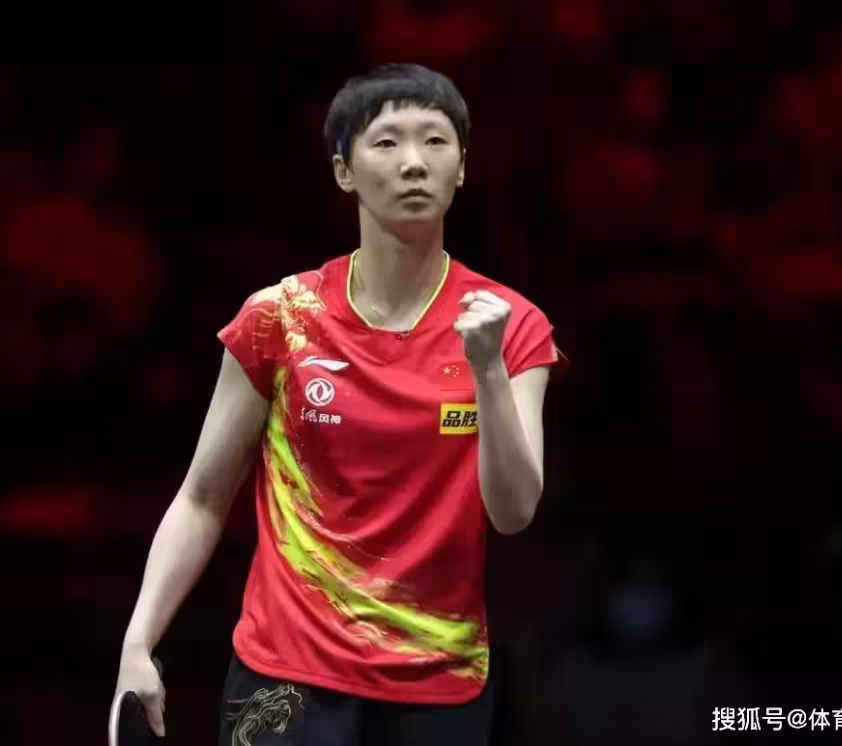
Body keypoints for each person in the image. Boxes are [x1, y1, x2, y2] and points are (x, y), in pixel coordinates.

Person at [111, 63, 565, 745]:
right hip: (284, 678)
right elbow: (203, 497)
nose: (413, 162)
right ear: (344, 172)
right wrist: (138, 641)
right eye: (386, 142)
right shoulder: (280, 318)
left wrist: (487, 370)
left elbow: (514, 511)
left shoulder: (512, 326)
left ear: (462, 169)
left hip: (437, 684)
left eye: (435, 141)